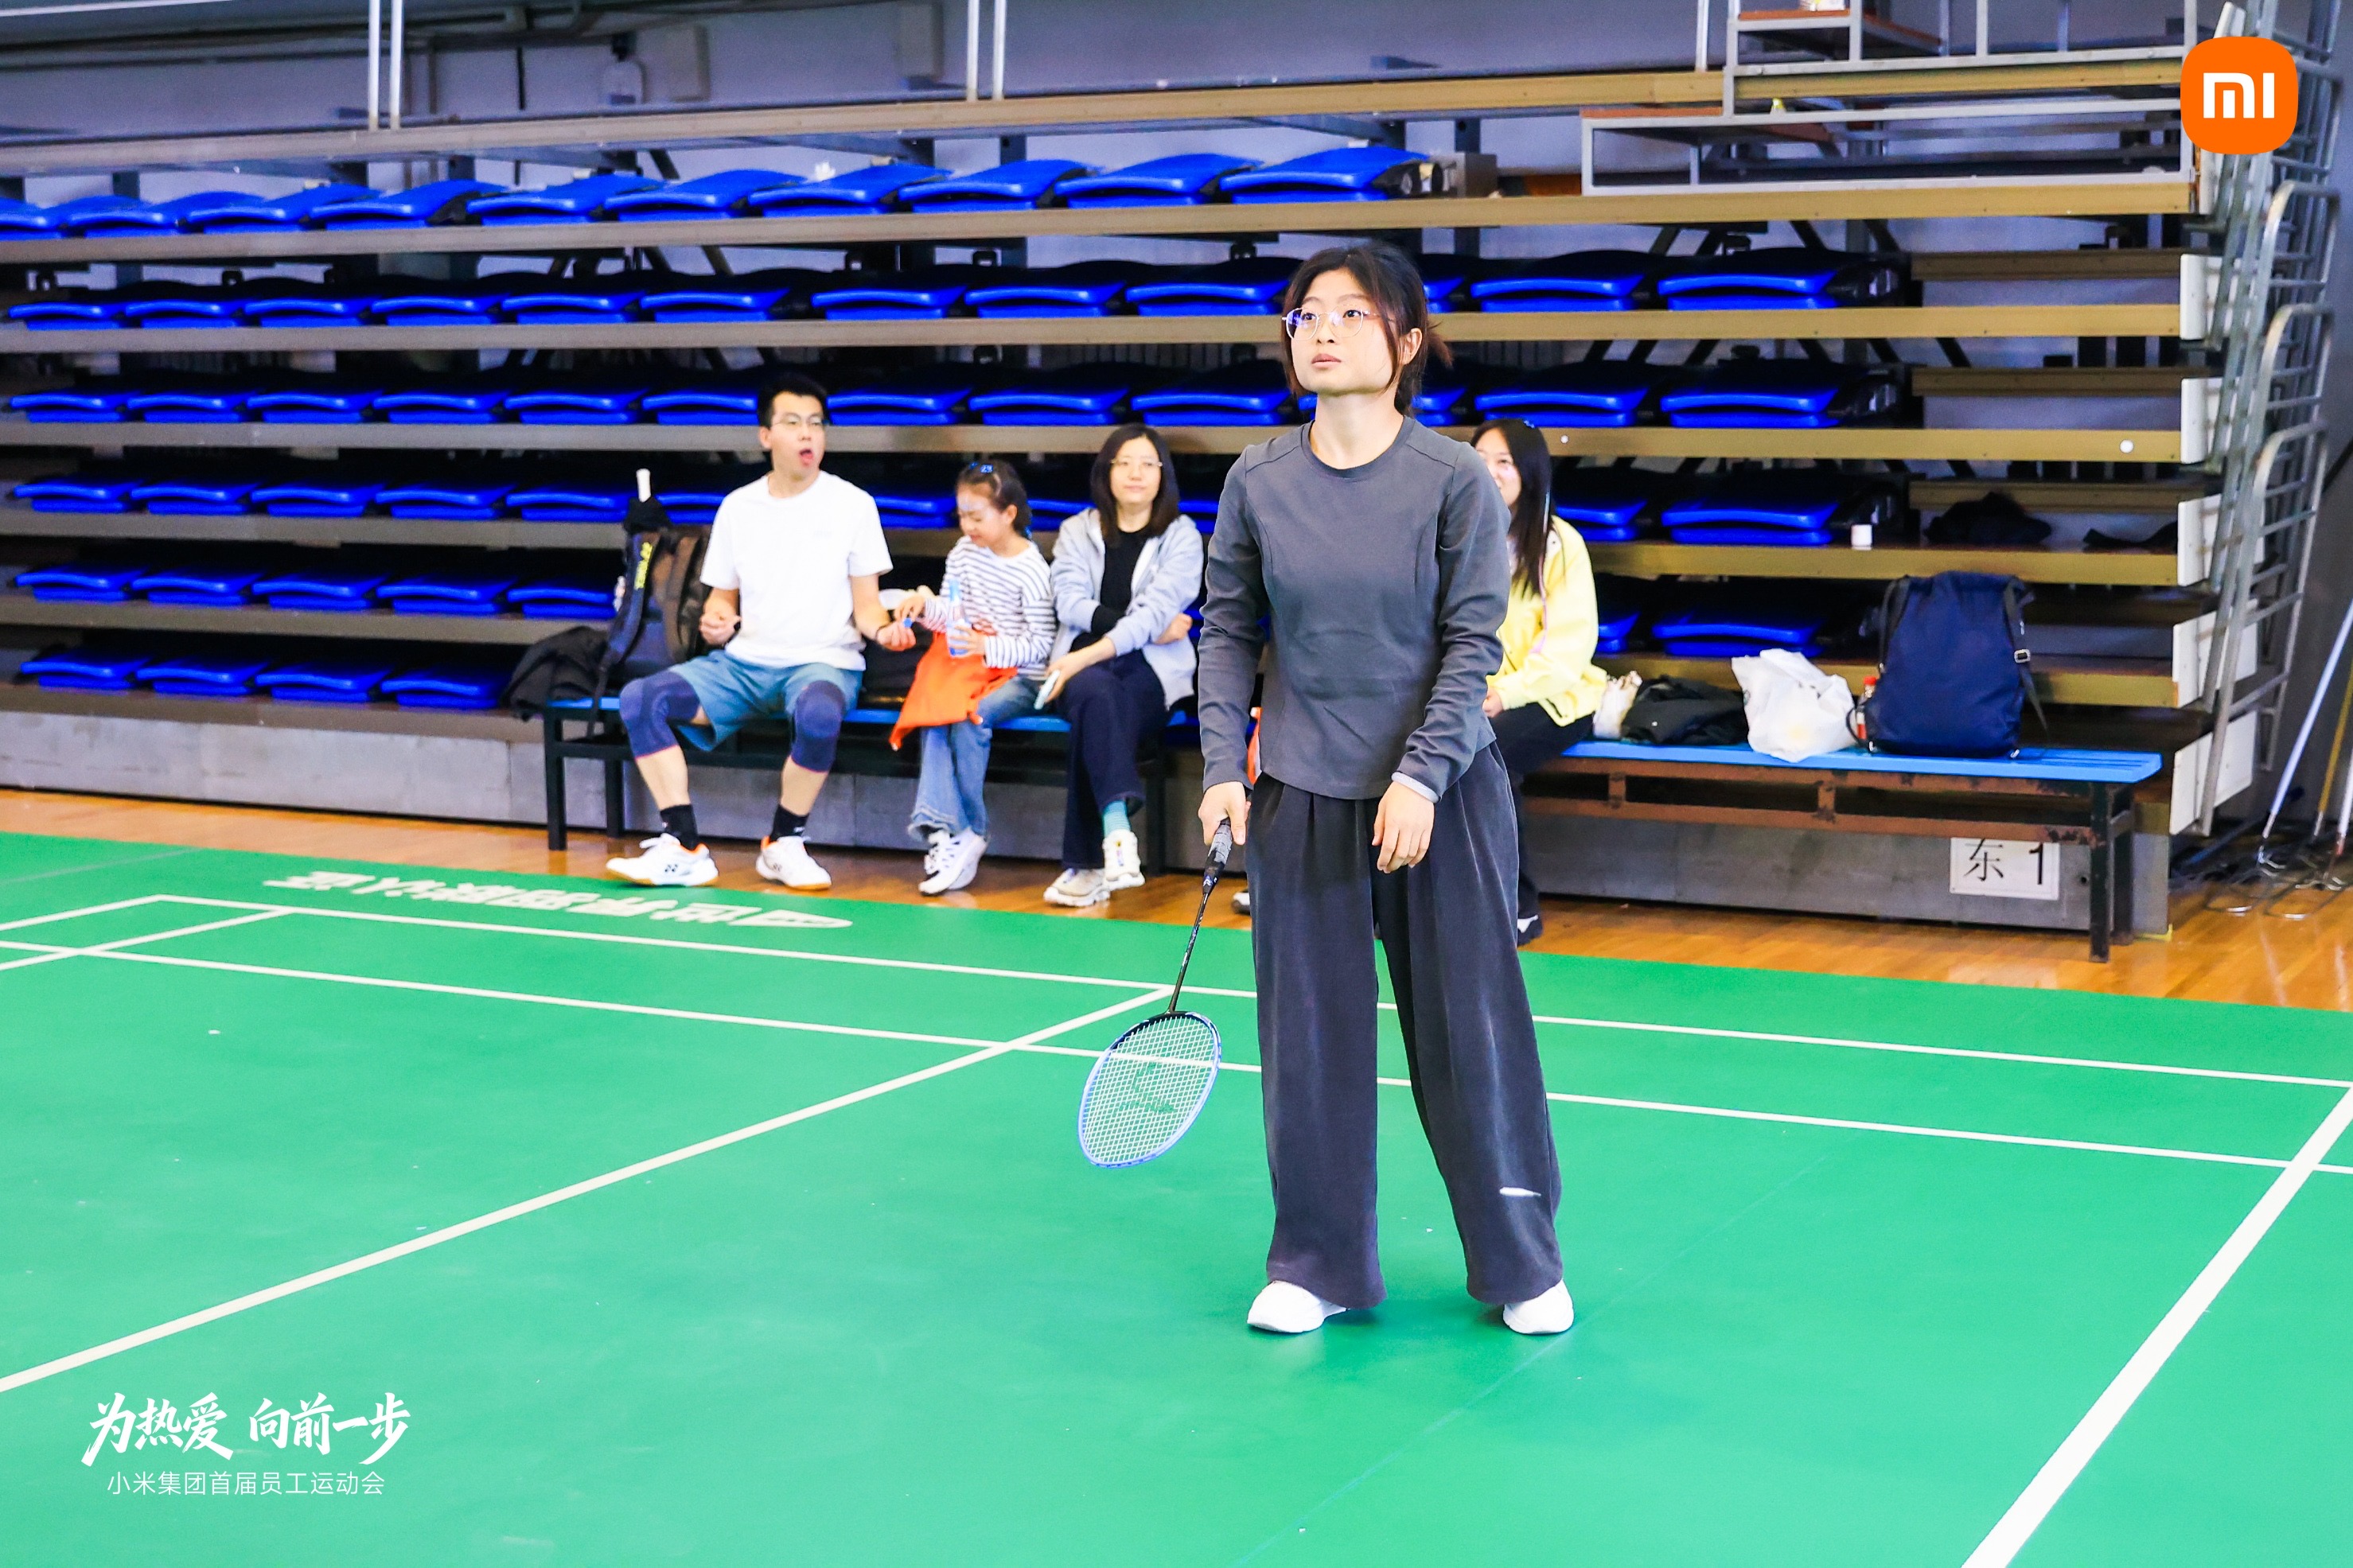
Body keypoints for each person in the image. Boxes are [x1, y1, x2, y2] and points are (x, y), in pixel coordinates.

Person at [1196, 241, 1571, 1339]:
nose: (1320, 330)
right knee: (1308, 1046)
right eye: (1306, 314)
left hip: (1439, 797)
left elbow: (1472, 645)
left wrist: (1418, 774)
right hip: (1300, 790)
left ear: (1405, 344)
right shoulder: (1257, 479)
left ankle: (1521, 1260)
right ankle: (1315, 1264)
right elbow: (1227, 632)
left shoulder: (1453, 479)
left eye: (1351, 314)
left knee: (1470, 1037)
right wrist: (1220, 766)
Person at [606, 370, 891, 891]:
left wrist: (886, 631)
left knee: (819, 713)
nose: (807, 434)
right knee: (640, 699)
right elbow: (722, 598)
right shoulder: (739, 507)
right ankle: (684, 846)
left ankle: (783, 842)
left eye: (816, 423)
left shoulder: (854, 505)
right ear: (765, 436)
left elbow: (868, 608)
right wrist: (717, 621)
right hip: (742, 665)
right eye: (793, 422)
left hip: (822, 663)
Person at [1036, 424, 1205, 908]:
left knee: (1096, 702)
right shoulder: (1077, 530)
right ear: (1106, 472)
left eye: (1148, 464)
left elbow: (1158, 613)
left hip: (1149, 671)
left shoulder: (1182, 537)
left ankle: (1088, 863)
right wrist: (1137, 626)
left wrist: (1083, 656)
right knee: (1097, 695)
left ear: (1163, 475)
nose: (1136, 473)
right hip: (1085, 671)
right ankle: (1114, 833)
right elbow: (1069, 602)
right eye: (1124, 463)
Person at [878, 461, 1058, 896]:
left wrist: (987, 647)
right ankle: (950, 829)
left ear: (1009, 513)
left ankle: (970, 829)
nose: (968, 526)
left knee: (971, 715)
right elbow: (953, 614)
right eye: (962, 516)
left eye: (977, 517)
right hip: (971, 666)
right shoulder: (963, 553)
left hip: (1022, 676)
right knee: (938, 711)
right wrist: (925, 607)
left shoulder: (1032, 570)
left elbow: (1041, 645)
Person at [1471, 418, 1609, 946]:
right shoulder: (1455, 535)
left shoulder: (1558, 544)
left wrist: (1504, 693)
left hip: (1554, 697)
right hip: (1478, 693)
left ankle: (1518, 906)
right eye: (1480, 459)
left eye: (1504, 462)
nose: (1490, 471)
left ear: (1529, 473)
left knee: (1486, 757)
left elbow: (1567, 650)